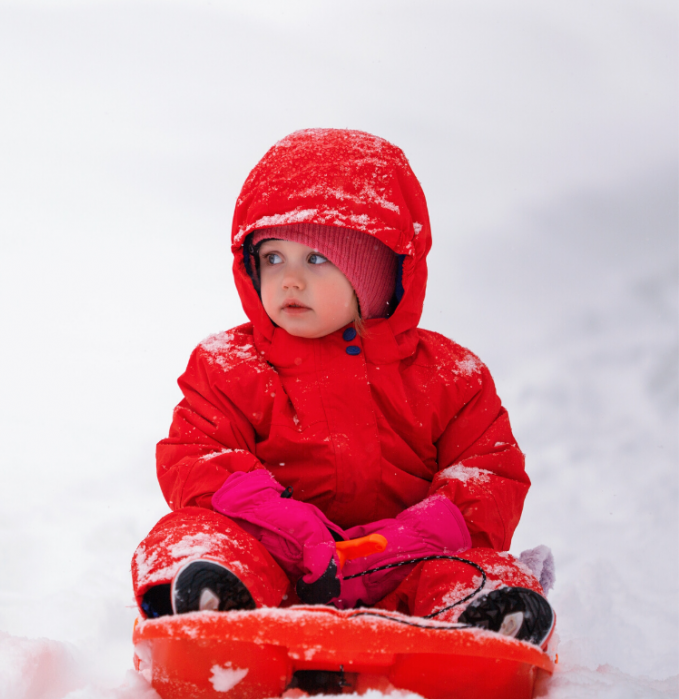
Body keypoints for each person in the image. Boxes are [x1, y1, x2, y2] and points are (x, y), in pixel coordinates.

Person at [130, 129, 555, 647]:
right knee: (188, 535)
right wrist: (283, 523)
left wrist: (408, 538)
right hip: (278, 560)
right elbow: (198, 457)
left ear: (378, 273)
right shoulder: (228, 365)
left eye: (315, 259)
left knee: (476, 564)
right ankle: (212, 600)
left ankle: (482, 616)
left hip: (410, 564)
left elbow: (489, 474)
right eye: (272, 258)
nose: (289, 280)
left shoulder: (450, 375)